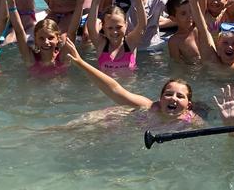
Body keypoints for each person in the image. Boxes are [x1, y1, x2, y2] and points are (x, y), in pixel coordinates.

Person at [62, 37, 202, 125]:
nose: (173, 98)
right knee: (79, 125)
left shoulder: (193, 121)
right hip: (116, 118)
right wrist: (81, 63)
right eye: (168, 94)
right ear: (160, 99)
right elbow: (115, 90)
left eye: (180, 96)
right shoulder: (149, 106)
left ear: (188, 105)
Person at [85, 0, 146, 72]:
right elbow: (91, 28)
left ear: (126, 25)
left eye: (118, 27)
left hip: (129, 82)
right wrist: (95, 1)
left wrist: (138, 0)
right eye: (110, 28)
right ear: (103, 27)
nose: (115, 32)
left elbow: (142, 25)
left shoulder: (130, 42)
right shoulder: (101, 44)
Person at [165, 0, 202, 64]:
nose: (189, 16)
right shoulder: (174, 41)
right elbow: (177, 66)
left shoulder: (198, 29)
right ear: (173, 18)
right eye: (183, 13)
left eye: (190, 11)